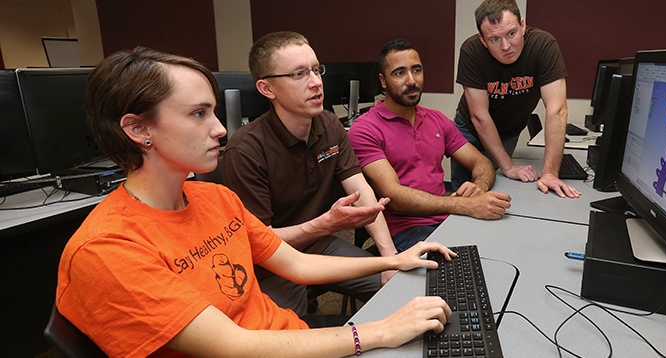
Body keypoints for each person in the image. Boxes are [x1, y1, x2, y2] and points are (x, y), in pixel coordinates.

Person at [55, 46, 455, 357]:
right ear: (138, 128)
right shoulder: (107, 249)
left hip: (286, 338)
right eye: (198, 114)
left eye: (213, 111)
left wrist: (394, 259)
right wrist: (379, 331)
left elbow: (296, 263)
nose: (219, 130)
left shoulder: (214, 197)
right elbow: (235, 345)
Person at [222, 31, 399, 316]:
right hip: (270, 261)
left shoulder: (329, 124)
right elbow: (259, 241)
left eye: (317, 70)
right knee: (289, 339)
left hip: (319, 244)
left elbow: (361, 190)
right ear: (267, 89)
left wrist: (390, 259)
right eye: (299, 74)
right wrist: (326, 223)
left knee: (399, 287)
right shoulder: (244, 151)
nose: (316, 82)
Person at [349, 39, 512, 250]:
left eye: (416, 70)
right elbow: (394, 196)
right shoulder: (365, 129)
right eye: (399, 73)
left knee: (507, 240)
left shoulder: (436, 120)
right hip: (405, 231)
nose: (411, 80)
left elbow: (481, 162)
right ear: (383, 81)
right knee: (476, 260)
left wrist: (479, 186)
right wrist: (466, 205)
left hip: (446, 219)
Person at [451, 0, 581, 199]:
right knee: (464, 190)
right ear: (483, 40)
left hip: (508, 130)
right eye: (494, 39)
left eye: (511, 33)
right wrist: (509, 166)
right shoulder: (471, 51)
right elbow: (479, 115)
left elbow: (557, 110)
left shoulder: (543, 45)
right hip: (468, 126)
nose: (506, 46)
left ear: (522, 25)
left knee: (495, 181)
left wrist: (549, 173)